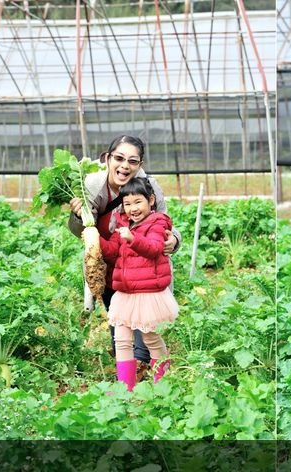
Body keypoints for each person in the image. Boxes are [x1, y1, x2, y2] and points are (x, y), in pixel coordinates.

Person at [68, 135, 180, 381]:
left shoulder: (148, 186)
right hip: (114, 273)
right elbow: (91, 237)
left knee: (147, 335)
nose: (124, 166)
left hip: (147, 276)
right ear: (107, 159)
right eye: (119, 158)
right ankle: (126, 386)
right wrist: (85, 225)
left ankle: (158, 381)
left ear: (140, 164)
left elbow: (164, 224)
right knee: (120, 332)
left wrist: (173, 241)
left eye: (132, 161)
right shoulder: (91, 184)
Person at [98, 177, 179, 391]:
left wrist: (133, 238)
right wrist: (95, 240)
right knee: (122, 340)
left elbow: (153, 248)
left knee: (151, 338)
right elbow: (114, 250)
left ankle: (162, 385)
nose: (132, 208)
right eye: (127, 203)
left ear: (151, 200)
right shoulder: (123, 224)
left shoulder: (158, 222)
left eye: (138, 202)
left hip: (148, 292)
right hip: (125, 292)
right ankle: (126, 388)